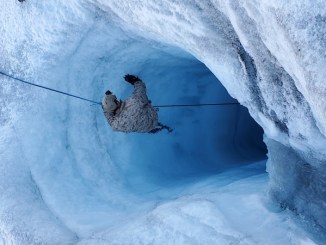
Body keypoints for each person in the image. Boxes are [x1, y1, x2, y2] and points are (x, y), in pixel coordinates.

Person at [102, 74, 172, 133]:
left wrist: (106, 109)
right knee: (144, 102)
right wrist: (135, 81)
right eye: (115, 99)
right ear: (116, 102)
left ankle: (157, 129)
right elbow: (140, 89)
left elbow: (110, 118)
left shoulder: (116, 125)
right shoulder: (134, 102)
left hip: (145, 128)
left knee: (148, 126)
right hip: (153, 116)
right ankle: (161, 125)